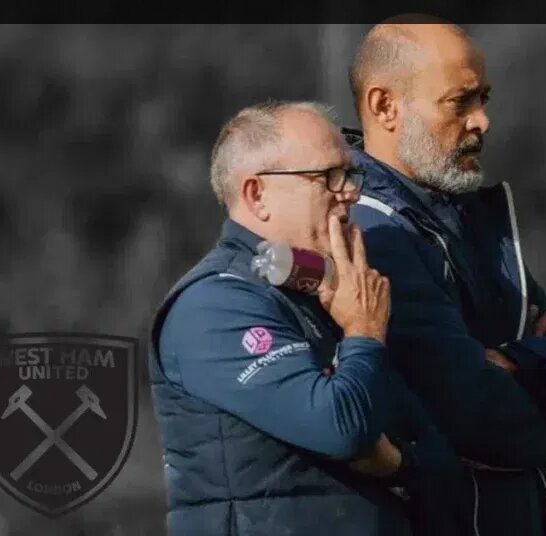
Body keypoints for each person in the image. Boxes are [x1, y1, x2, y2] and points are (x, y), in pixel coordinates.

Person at [346, 21, 546, 535]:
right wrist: (545, 392)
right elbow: (471, 412)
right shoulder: (371, 234)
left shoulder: (469, 222)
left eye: (484, 99)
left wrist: (516, 362)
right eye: (460, 102)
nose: (482, 121)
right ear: (385, 106)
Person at [148, 100, 462, 536]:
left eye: (350, 175)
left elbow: (439, 458)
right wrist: (364, 333)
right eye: (328, 177)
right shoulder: (214, 306)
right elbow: (343, 429)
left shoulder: (330, 296)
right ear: (257, 195)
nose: (350, 193)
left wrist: (396, 462)